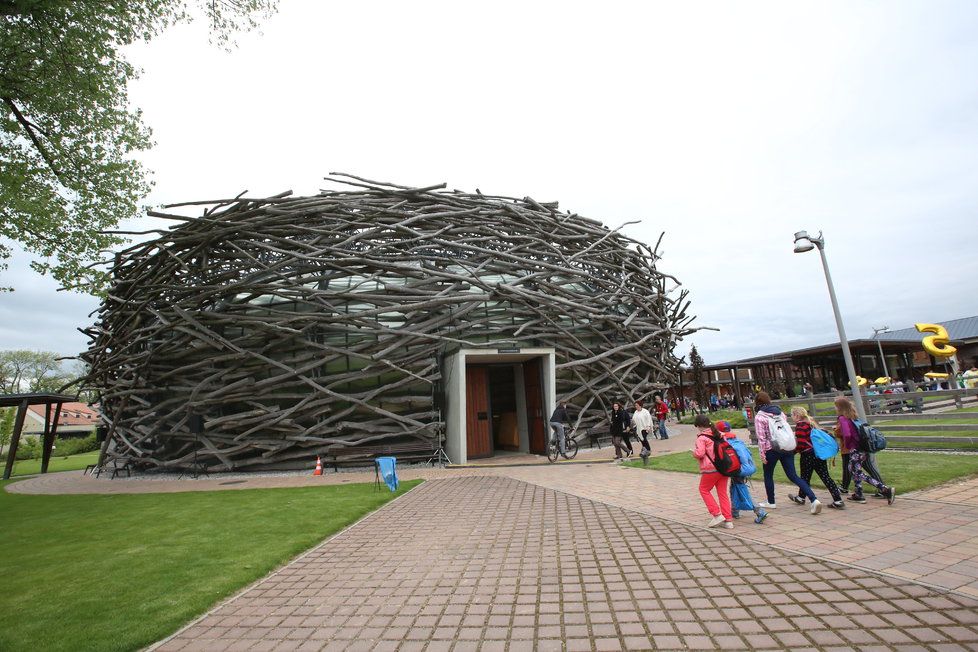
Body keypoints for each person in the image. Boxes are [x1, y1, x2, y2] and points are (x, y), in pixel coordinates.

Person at [753, 391, 823, 514]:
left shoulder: (760, 416)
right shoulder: (779, 412)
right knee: (793, 476)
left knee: (768, 474)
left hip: (771, 449)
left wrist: (762, 454)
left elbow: (761, 437)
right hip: (787, 446)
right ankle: (814, 499)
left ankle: (771, 501)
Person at [834, 396, 895, 504]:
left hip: (854, 450)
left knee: (858, 473)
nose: (835, 408)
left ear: (840, 407)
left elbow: (847, 434)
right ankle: (859, 494)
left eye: (836, 406)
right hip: (862, 448)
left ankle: (885, 489)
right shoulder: (853, 415)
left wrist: (848, 445)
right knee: (854, 471)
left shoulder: (842, 418)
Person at [790, 406, 845, 509]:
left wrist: (793, 452)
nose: (792, 417)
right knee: (825, 476)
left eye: (792, 415)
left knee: (805, 477)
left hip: (807, 455)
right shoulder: (811, 423)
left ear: (797, 415)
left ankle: (801, 498)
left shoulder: (800, 425)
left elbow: (801, 444)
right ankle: (837, 500)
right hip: (818, 453)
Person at [716, 420, 768, 524]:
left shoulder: (724, 441)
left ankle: (759, 511)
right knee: (734, 487)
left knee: (741, 490)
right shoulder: (736, 440)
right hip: (747, 467)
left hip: (737, 470)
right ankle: (734, 511)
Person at [692, 415, 734, 528]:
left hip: (710, 469)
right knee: (722, 493)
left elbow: (700, 453)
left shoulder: (701, 438)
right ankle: (728, 520)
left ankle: (716, 514)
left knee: (703, 489)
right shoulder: (719, 434)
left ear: (699, 426)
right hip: (724, 467)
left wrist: (694, 453)